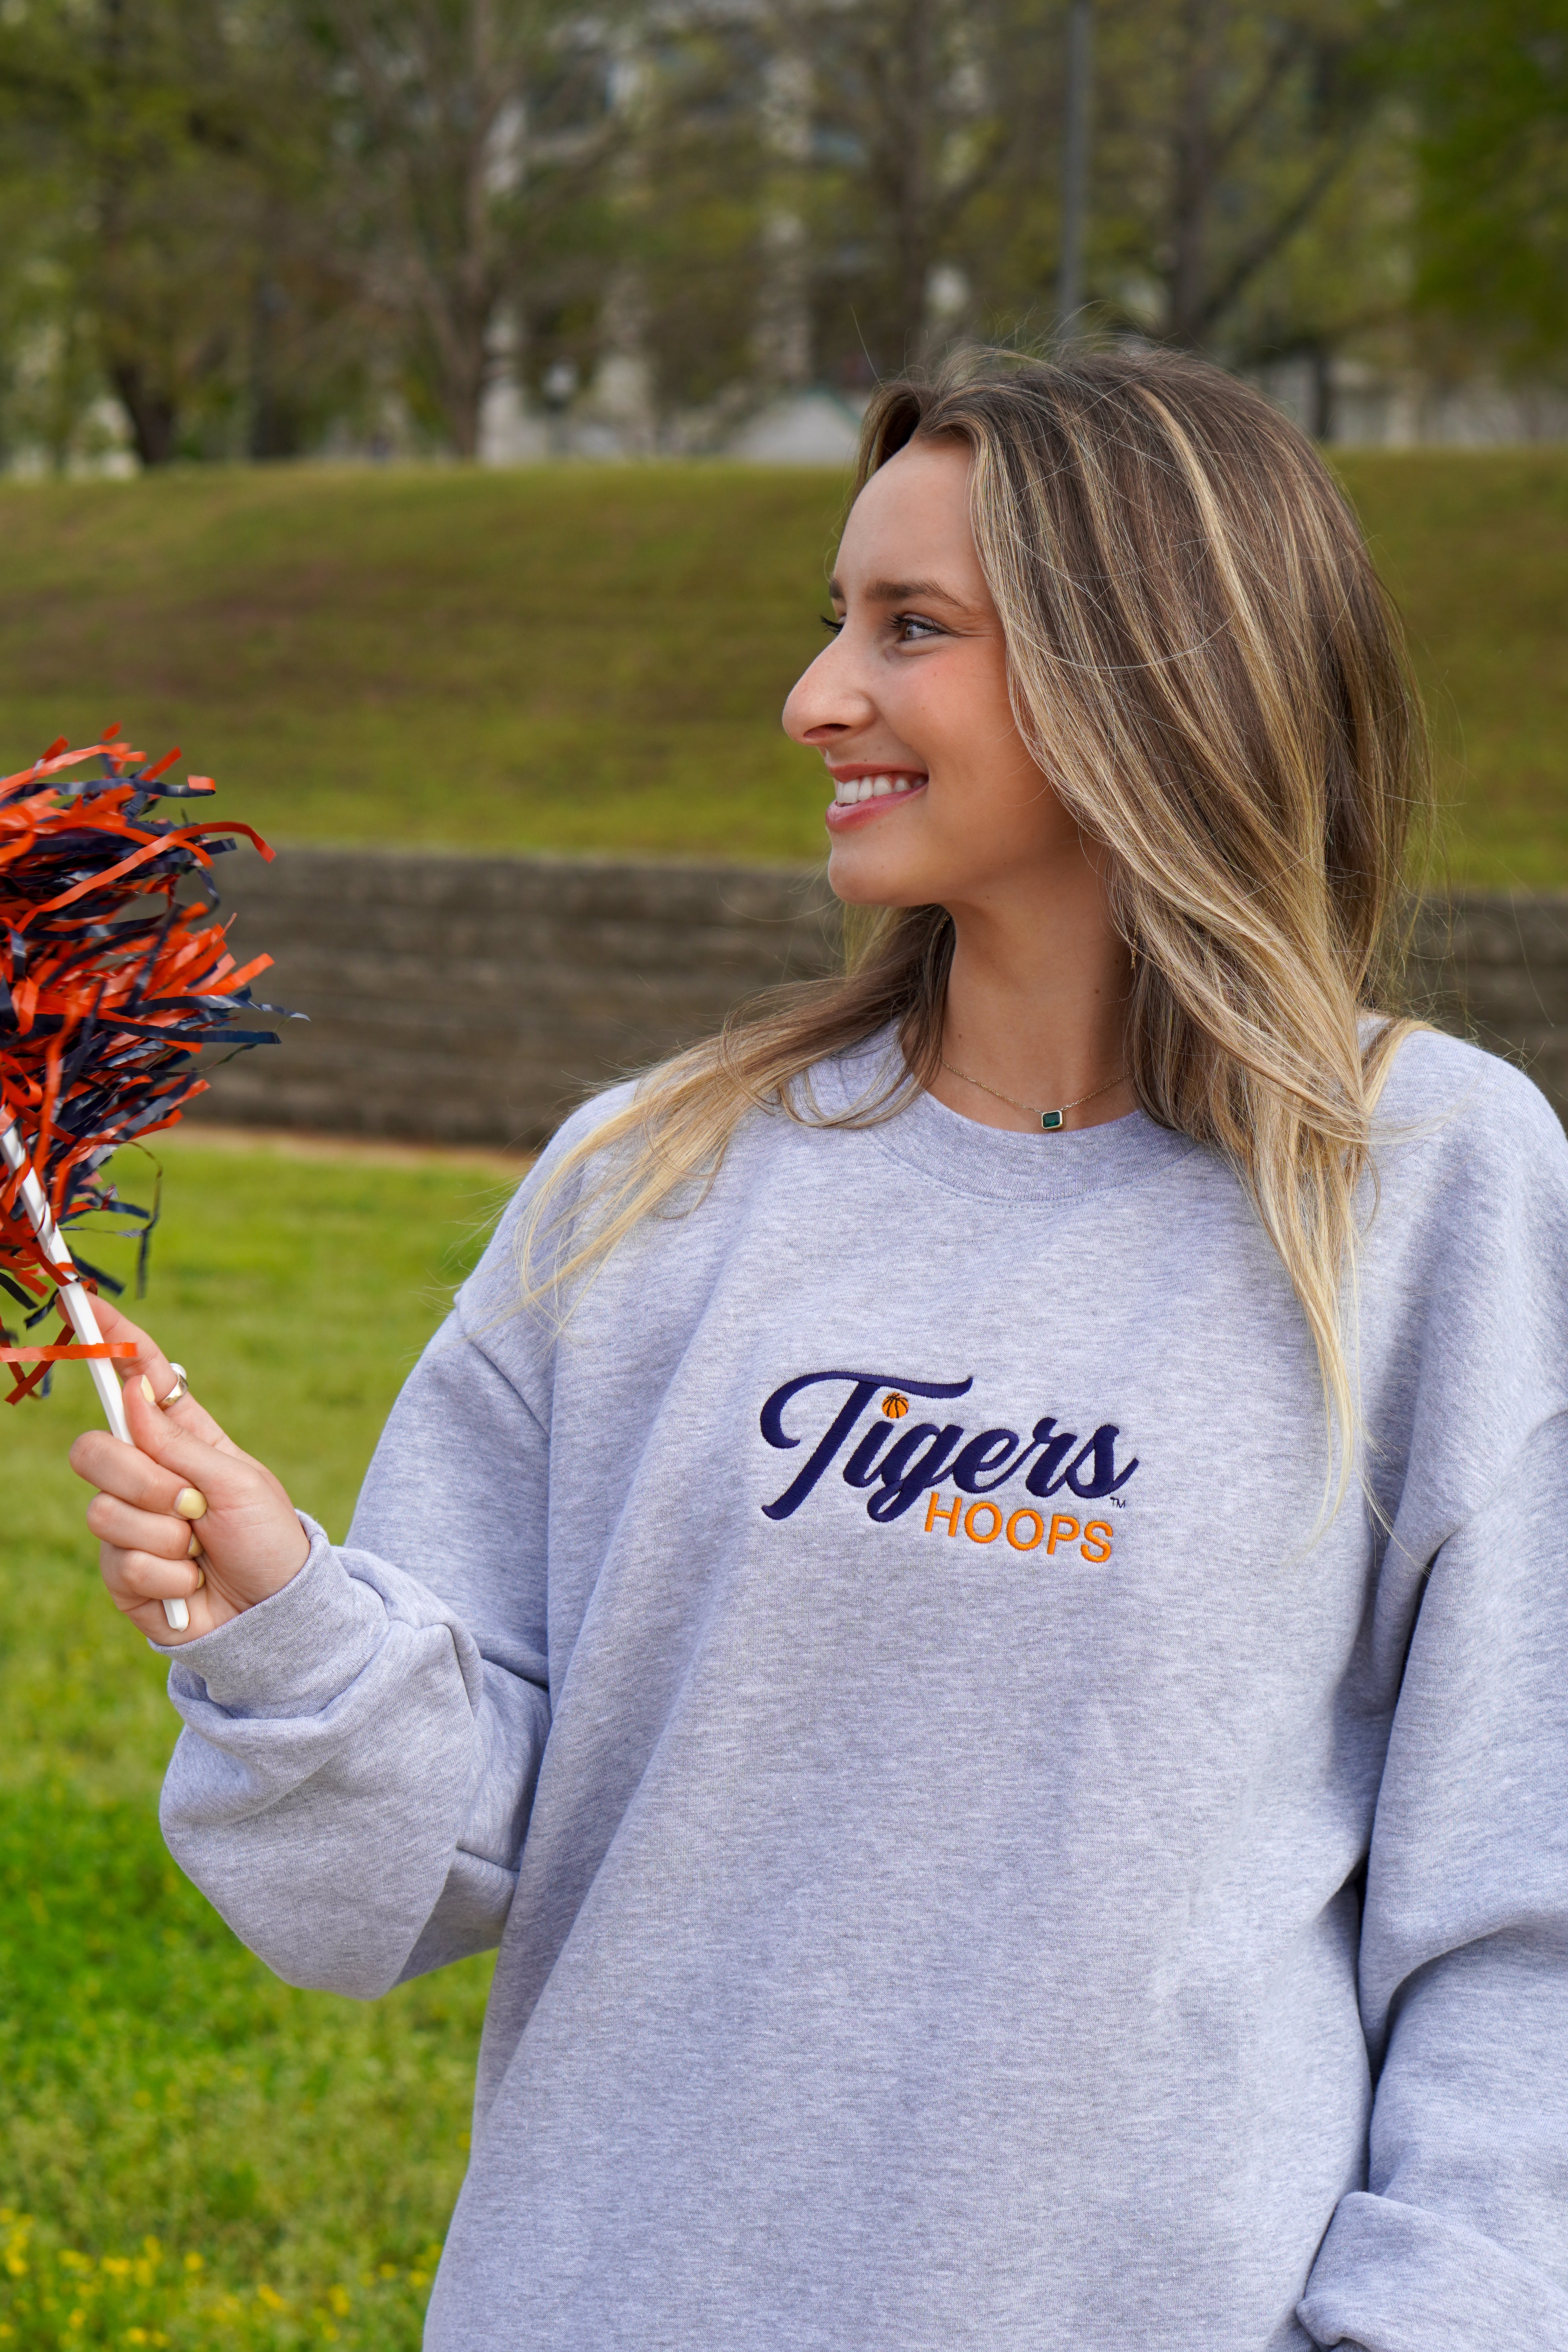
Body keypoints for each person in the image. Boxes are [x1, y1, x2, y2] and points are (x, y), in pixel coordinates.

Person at [71, 349, 1568, 2352]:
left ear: (1152, 664)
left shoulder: (1427, 1187)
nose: (814, 698)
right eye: (832, 620)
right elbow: (386, 1897)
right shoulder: (652, 1178)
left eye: (909, 627)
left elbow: (1523, 1928)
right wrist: (287, 1629)